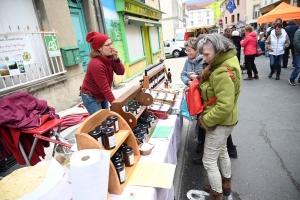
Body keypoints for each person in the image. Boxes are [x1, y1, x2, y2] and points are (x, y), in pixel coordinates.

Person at [197, 33, 242, 199]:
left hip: (220, 122)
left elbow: (224, 105)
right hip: (227, 120)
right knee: (222, 151)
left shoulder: (221, 71)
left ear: (218, 51)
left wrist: (205, 120)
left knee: (208, 161)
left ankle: (217, 194)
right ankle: (225, 185)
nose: (204, 58)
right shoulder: (227, 61)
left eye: (207, 54)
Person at [80, 32, 125, 115]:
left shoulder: (109, 58)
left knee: (106, 119)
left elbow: (121, 72)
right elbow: (105, 88)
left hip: (101, 94)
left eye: (111, 44)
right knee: (100, 123)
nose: (111, 47)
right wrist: (116, 106)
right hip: (91, 97)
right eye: (108, 45)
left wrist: (116, 59)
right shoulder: (96, 64)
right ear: (99, 48)